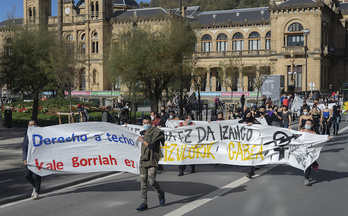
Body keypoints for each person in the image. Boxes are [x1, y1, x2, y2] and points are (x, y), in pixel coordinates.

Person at [136, 116, 165, 211]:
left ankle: (160, 193)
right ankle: (144, 203)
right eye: (144, 123)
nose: (146, 125)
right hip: (143, 160)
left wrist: (143, 141)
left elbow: (153, 146)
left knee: (151, 181)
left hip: (152, 160)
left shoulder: (157, 132)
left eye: (148, 123)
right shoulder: (143, 133)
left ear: (151, 122)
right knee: (143, 182)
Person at [22, 120, 41, 200]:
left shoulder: (40, 134)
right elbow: (24, 147)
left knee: (37, 175)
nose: (32, 126)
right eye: (31, 125)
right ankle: (35, 186)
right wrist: (24, 158)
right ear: (28, 126)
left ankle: (36, 191)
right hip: (30, 158)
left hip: (39, 158)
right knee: (27, 175)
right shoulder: (27, 135)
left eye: (34, 125)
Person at [238, 111, 260, 178]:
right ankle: (252, 169)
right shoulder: (242, 121)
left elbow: (259, 125)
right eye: (247, 115)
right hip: (244, 141)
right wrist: (242, 123)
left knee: (251, 154)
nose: (248, 116)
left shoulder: (253, 120)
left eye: (249, 115)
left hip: (252, 141)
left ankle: (251, 170)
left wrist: (252, 124)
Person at [300, 119, 320, 186]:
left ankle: (306, 178)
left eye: (309, 124)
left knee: (308, 164)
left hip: (310, 152)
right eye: (306, 123)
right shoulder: (301, 131)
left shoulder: (313, 134)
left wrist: (326, 138)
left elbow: (319, 141)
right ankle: (307, 175)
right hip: (301, 151)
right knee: (304, 165)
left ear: (312, 125)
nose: (307, 125)